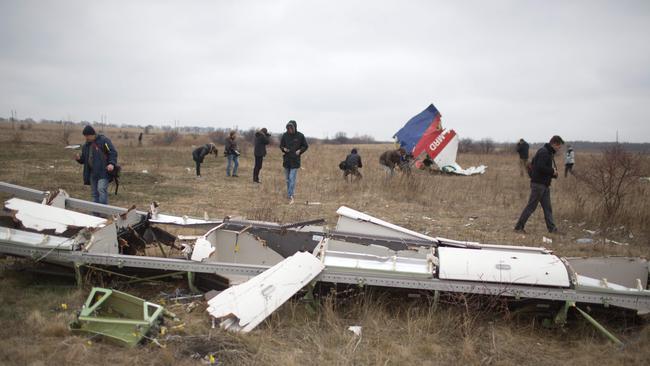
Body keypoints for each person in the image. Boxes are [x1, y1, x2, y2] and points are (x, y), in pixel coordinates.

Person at [514, 135, 565, 234]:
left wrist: (553, 174)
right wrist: (552, 171)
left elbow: (539, 167)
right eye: (559, 146)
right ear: (554, 144)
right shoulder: (544, 152)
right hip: (538, 185)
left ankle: (552, 229)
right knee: (531, 207)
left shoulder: (547, 152)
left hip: (544, 185)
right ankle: (518, 227)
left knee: (547, 208)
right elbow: (540, 167)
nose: (559, 149)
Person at [74, 125, 118, 205]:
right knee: (94, 194)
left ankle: (103, 212)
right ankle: (95, 215)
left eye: (87, 136)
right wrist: (79, 159)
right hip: (92, 174)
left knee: (101, 190)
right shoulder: (85, 146)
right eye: (85, 136)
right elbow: (84, 160)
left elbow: (112, 152)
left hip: (103, 172)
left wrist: (111, 163)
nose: (86, 138)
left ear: (92, 134)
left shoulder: (104, 141)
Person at [280, 120, 308, 204]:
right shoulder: (285, 135)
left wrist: (300, 151)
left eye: (291, 128)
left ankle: (290, 195)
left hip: (295, 161)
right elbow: (281, 145)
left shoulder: (300, 136)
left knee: (292, 178)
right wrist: (283, 149)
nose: (289, 129)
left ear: (294, 127)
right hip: (287, 160)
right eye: (288, 128)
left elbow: (305, 146)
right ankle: (290, 194)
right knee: (288, 180)